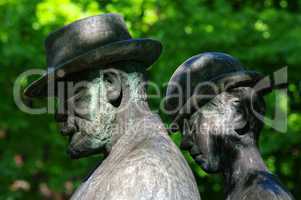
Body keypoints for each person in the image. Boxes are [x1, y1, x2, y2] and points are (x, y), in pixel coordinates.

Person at [24, 14, 201, 200]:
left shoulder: (146, 171)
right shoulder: (117, 165)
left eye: (72, 97)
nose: (62, 119)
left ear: (111, 85)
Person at [164, 52, 294, 200]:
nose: (184, 142)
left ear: (239, 115)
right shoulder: (246, 191)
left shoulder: (260, 194)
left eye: (192, 126)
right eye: (182, 130)